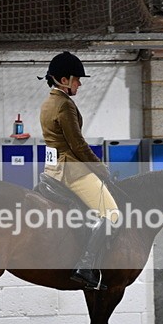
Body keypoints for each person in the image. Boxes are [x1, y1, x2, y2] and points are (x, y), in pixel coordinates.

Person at [40, 51, 118, 291]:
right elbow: (78, 145)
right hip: (71, 171)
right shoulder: (65, 105)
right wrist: (100, 168)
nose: (79, 84)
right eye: (76, 79)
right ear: (64, 80)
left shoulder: (48, 102)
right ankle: (85, 265)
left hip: (52, 169)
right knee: (112, 214)